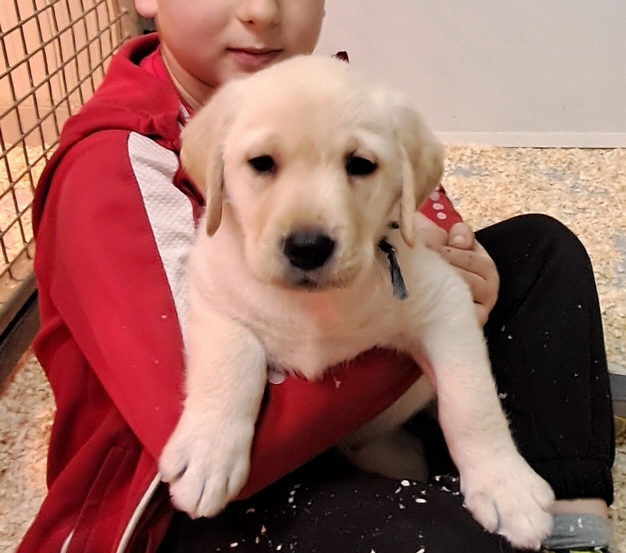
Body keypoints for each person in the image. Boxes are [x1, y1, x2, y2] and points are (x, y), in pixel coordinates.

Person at [20, 1, 614, 552]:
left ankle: (570, 516)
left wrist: (457, 259)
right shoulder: (113, 165)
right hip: (201, 490)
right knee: (447, 540)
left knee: (542, 253)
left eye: (356, 163)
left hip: (358, 400)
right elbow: (190, 401)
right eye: (262, 164)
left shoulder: (336, 95)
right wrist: (417, 330)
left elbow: (417, 205)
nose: (261, 10)